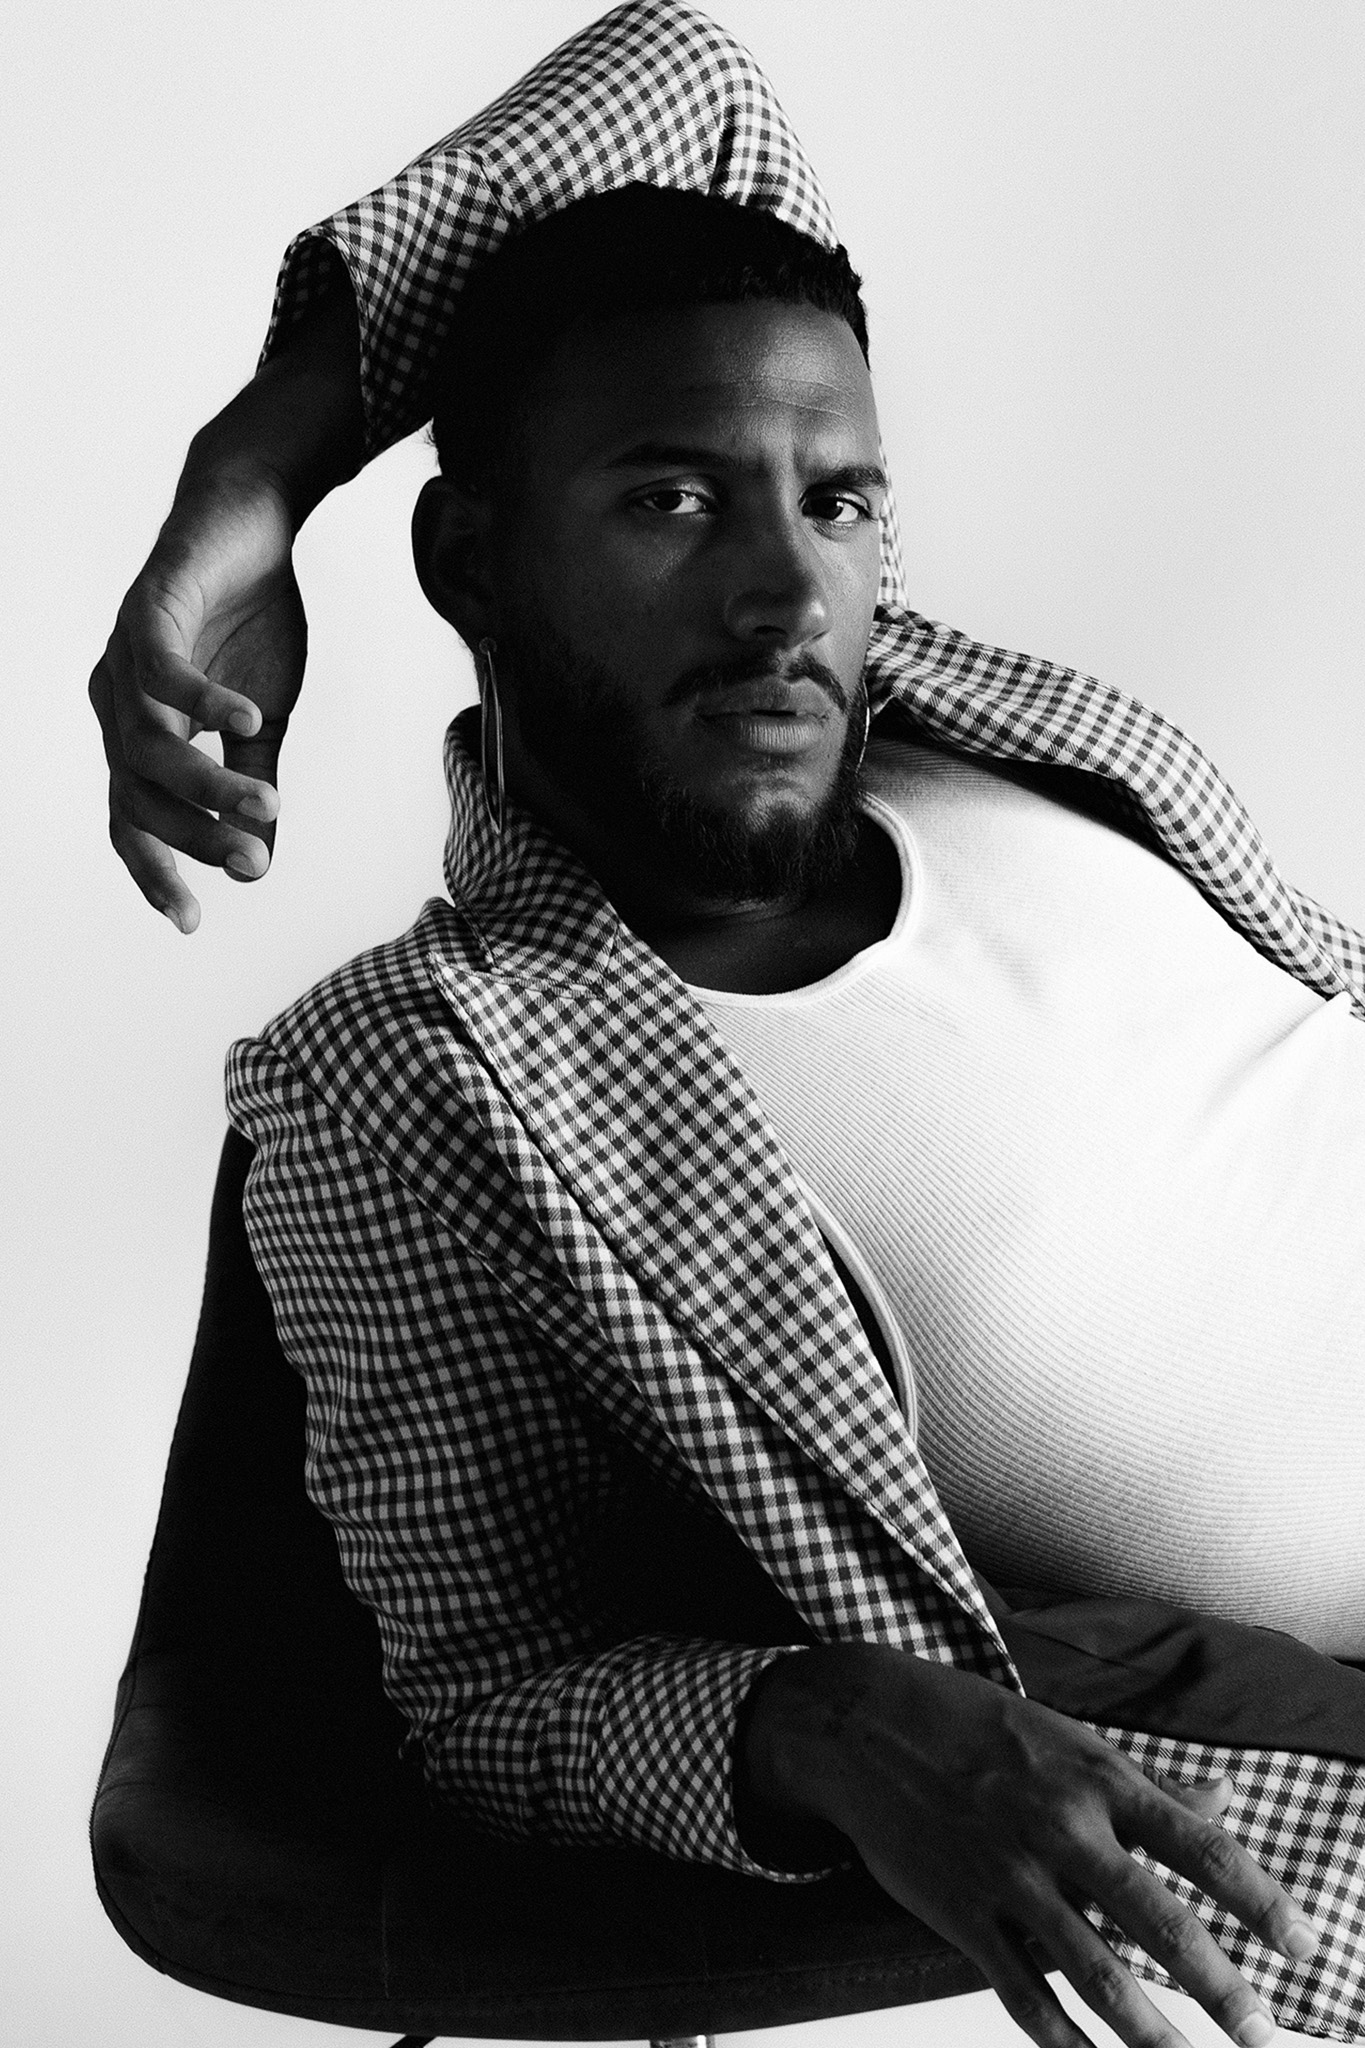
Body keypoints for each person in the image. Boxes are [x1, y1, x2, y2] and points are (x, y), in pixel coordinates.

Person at [93, 7, 1365, 2048]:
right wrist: (812, 1718)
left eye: (839, 500)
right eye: (672, 499)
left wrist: (253, 470)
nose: (787, 594)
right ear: (467, 558)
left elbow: (686, 74)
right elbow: (486, 1693)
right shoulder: (423, 1074)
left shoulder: (963, 731)